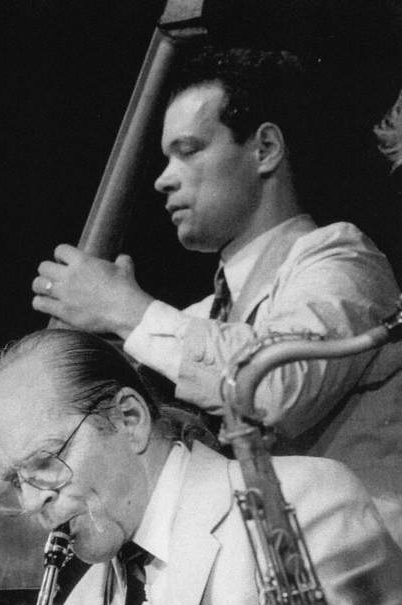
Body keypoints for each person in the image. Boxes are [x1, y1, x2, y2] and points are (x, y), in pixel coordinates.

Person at [31, 47, 402, 545]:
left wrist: (125, 310)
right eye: (165, 157)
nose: (163, 178)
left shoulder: (342, 259)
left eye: (188, 150)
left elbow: (271, 387)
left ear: (265, 148)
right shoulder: (203, 319)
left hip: (367, 594)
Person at [0, 328, 402, 605]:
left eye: (45, 463)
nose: (31, 502)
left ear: (129, 419)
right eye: (14, 483)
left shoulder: (297, 502)